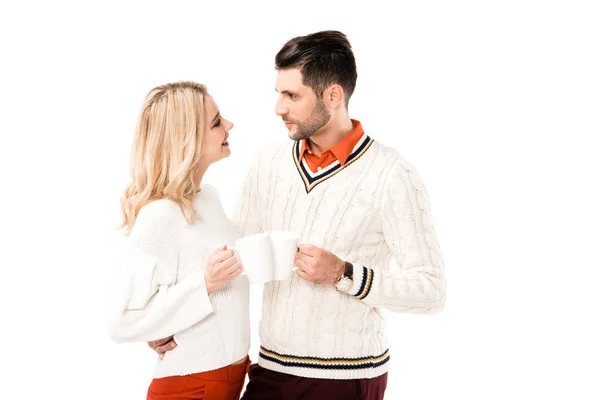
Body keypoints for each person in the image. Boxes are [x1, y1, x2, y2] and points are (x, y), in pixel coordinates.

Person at [153, 30, 446, 400]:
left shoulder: (391, 175)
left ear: (333, 95)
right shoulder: (268, 162)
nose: (279, 107)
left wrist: (344, 274)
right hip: (270, 370)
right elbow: (234, 264)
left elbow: (432, 291)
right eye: (279, 93)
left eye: (292, 95)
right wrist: (173, 318)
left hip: (346, 380)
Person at [106, 81, 251, 400]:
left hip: (229, 379)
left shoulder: (208, 199)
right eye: (216, 122)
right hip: (191, 387)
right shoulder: (161, 215)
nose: (228, 125)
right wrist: (205, 283)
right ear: (187, 140)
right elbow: (122, 320)